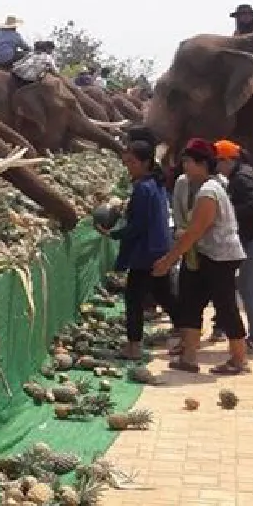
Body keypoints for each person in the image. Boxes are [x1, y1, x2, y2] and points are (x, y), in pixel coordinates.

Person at [155, 138, 250, 374]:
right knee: (190, 302)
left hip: (220, 257)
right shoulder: (189, 186)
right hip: (201, 255)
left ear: (202, 164)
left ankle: (239, 359)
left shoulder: (210, 191)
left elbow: (194, 232)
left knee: (225, 305)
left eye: (189, 162)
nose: (185, 166)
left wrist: (168, 260)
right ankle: (189, 357)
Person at [96, 140, 177, 360]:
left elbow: (138, 226)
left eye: (131, 162)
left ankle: (133, 347)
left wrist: (112, 234)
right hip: (160, 247)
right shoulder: (156, 183)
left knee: (133, 299)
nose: (128, 166)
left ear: (145, 162)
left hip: (146, 252)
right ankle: (186, 330)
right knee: (164, 294)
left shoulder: (143, 187)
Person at [215, 139, 253, 353]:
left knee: (249, 289)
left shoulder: (242, 179)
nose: (216, 166)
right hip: (250, 238)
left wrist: (227, 213)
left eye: (218, 161)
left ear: (228, 160)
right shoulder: (243, 174)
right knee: (246, 287)